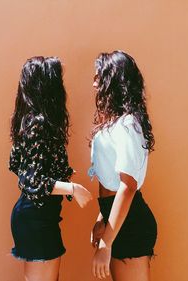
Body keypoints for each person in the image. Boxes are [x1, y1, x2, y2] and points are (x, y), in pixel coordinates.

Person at [9, 56, 92, 281]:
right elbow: (32, 181)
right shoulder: (38, 123)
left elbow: (16, 164)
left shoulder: (29, 121)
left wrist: (59, 174)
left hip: (37, 216)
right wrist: (72, 188)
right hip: (36, 218)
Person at [89, 51, 157, 281]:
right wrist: (101, 220)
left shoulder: (128, 124)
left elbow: (127, 187)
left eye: (98, 77)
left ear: (112, 81)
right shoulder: (115, 123)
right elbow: (111, 182)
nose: (94, 82)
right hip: (116, 220)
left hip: (131, 224)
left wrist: (106, 245)